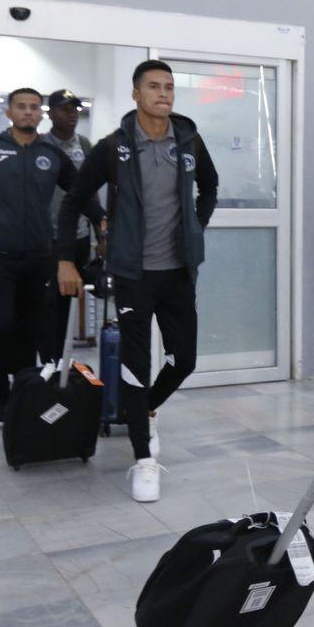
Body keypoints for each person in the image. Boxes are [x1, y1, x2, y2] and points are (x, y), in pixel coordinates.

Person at [57, 60, 218, 503]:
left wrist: (195, 229)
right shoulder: (113, 148)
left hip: (178, 271)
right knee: (134, 363)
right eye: (154, 87)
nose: (163, 94)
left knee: (184, 359)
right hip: (132, 273)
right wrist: (66, 261)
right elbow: (73, 201)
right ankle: (143, 458)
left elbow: (211, 187)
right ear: (136, 94)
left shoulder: (188, 140)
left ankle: (144, 407)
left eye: (169, 87)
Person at [0, 88, 104, 425]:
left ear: (41, 114)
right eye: (21, 107)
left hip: (39, 255)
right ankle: (1, 392)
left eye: (34, 108)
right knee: (1, 325)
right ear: (9, 113)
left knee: (41, 327)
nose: (28, 113)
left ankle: (35, 388)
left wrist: (101, 219)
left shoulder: (51, 154)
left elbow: (79, 191)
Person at [43, 89, 93, 359]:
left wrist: (99, 233)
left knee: (68, 302)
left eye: (75, 108)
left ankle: (61, 361)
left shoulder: (84, 145)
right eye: (64, 108)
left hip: (79, 235)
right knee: (48, 302)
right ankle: (48, 359)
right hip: (48, 236)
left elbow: (92, 191)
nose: (72, 113)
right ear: (50, 114)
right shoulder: (41, 146)